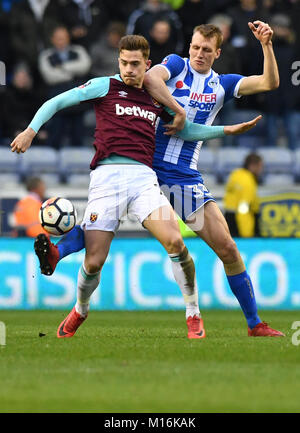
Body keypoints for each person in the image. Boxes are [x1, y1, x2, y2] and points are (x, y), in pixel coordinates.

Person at [10, 35, 259, 339]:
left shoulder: (156, 96)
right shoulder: (105, 86)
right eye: (124, 63)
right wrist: (30, 131)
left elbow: (188, 130)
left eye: (135, 64)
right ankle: (80, 309)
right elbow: (58, 101)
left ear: (147, 65)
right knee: (94, 261)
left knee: (176, 244)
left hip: (143, 180)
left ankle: (193, 313)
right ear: (119, 62)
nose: (129, 69)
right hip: (106, 180)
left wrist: (227, 129)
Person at [224, 153, 263, 238]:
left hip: (228, 217)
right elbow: (243, 208)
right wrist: (246, 233)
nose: (261, 170)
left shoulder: (235, 175)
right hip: (239, 223)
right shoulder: (248, 180)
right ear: (252, 166)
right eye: (260, 166)